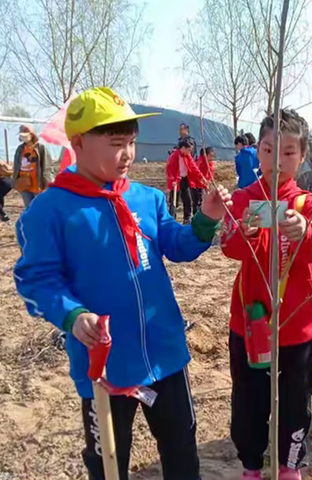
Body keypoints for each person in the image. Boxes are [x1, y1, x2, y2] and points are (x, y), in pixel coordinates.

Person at [14, 86, 232, 480]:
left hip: (166, 354)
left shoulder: (146, 199)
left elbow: (177, 245)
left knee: (182, 452)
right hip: (105, 366)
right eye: (116, 144)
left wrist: (206, 219)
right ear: (78, 142)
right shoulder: (51, 210)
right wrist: (73, 315)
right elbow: (37, 279)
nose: (128, 154)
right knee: (109, 464)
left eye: (131, 143)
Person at [221, 109, 312, 479]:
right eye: (268, 150)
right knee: (249, 400)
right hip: (251, 324)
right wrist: (245, 235)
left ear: (301, 156)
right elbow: (229, 249)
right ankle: (251, 466)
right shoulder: (243, 200)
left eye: (287, 153)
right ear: (257, 151)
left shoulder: (309, 204)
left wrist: (304, 232)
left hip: (296, 325)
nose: (276, 161)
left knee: (295, 402)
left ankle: (290, 466)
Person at [12, 124, 53, 208]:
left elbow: (47, 166)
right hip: (24, 184)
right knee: (28, 208)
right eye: (21, 135)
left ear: (32, 135)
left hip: (37, 185)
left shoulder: (41, 148)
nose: (23, 137)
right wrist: (15, 181)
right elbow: (16, 166)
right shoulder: (20, 149)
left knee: (39, 208)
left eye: (25, 135)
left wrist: (47, 183)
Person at [166, 138, 205, 224]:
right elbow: (170, 169)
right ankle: (172, 219)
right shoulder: (174, 156)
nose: (189, 152)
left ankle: (187, 218)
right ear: (183, 148)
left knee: (187, 199)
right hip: (176, 180)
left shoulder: (187, 156)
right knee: (174, 201)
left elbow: (193, 167)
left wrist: (202, 177)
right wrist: (172, 180)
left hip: (185, 179)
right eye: (188, 150)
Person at [192, 147, 215, 215]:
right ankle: (196, 215)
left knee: (204, 199)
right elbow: (197, 174)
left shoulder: (209, 163)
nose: (212, 158)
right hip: (197, 184)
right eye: (210, 156)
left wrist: (210, 181)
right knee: (198, 200)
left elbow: (210, 173)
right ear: (205, 155)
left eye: (213, 156)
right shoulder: (200, 162)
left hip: (204, 184)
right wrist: (203, 182)